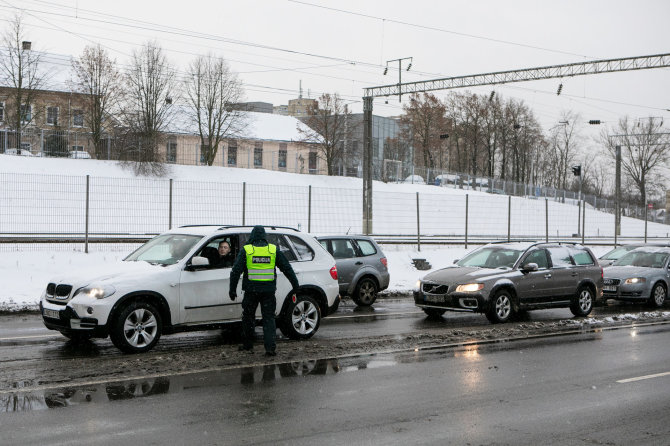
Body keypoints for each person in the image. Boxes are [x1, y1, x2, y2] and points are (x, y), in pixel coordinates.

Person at [229, 226, 299, 356]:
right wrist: (295, 285)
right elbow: (287, 268)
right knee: (268, 319)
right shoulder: (273, 250)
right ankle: (270, 349)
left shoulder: (247, 250)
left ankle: (248, 345)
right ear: (264, 236)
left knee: (249, 318)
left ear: (252, 236)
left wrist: (232, 290)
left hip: (251, 291)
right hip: (268, 292)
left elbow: (235, 271)